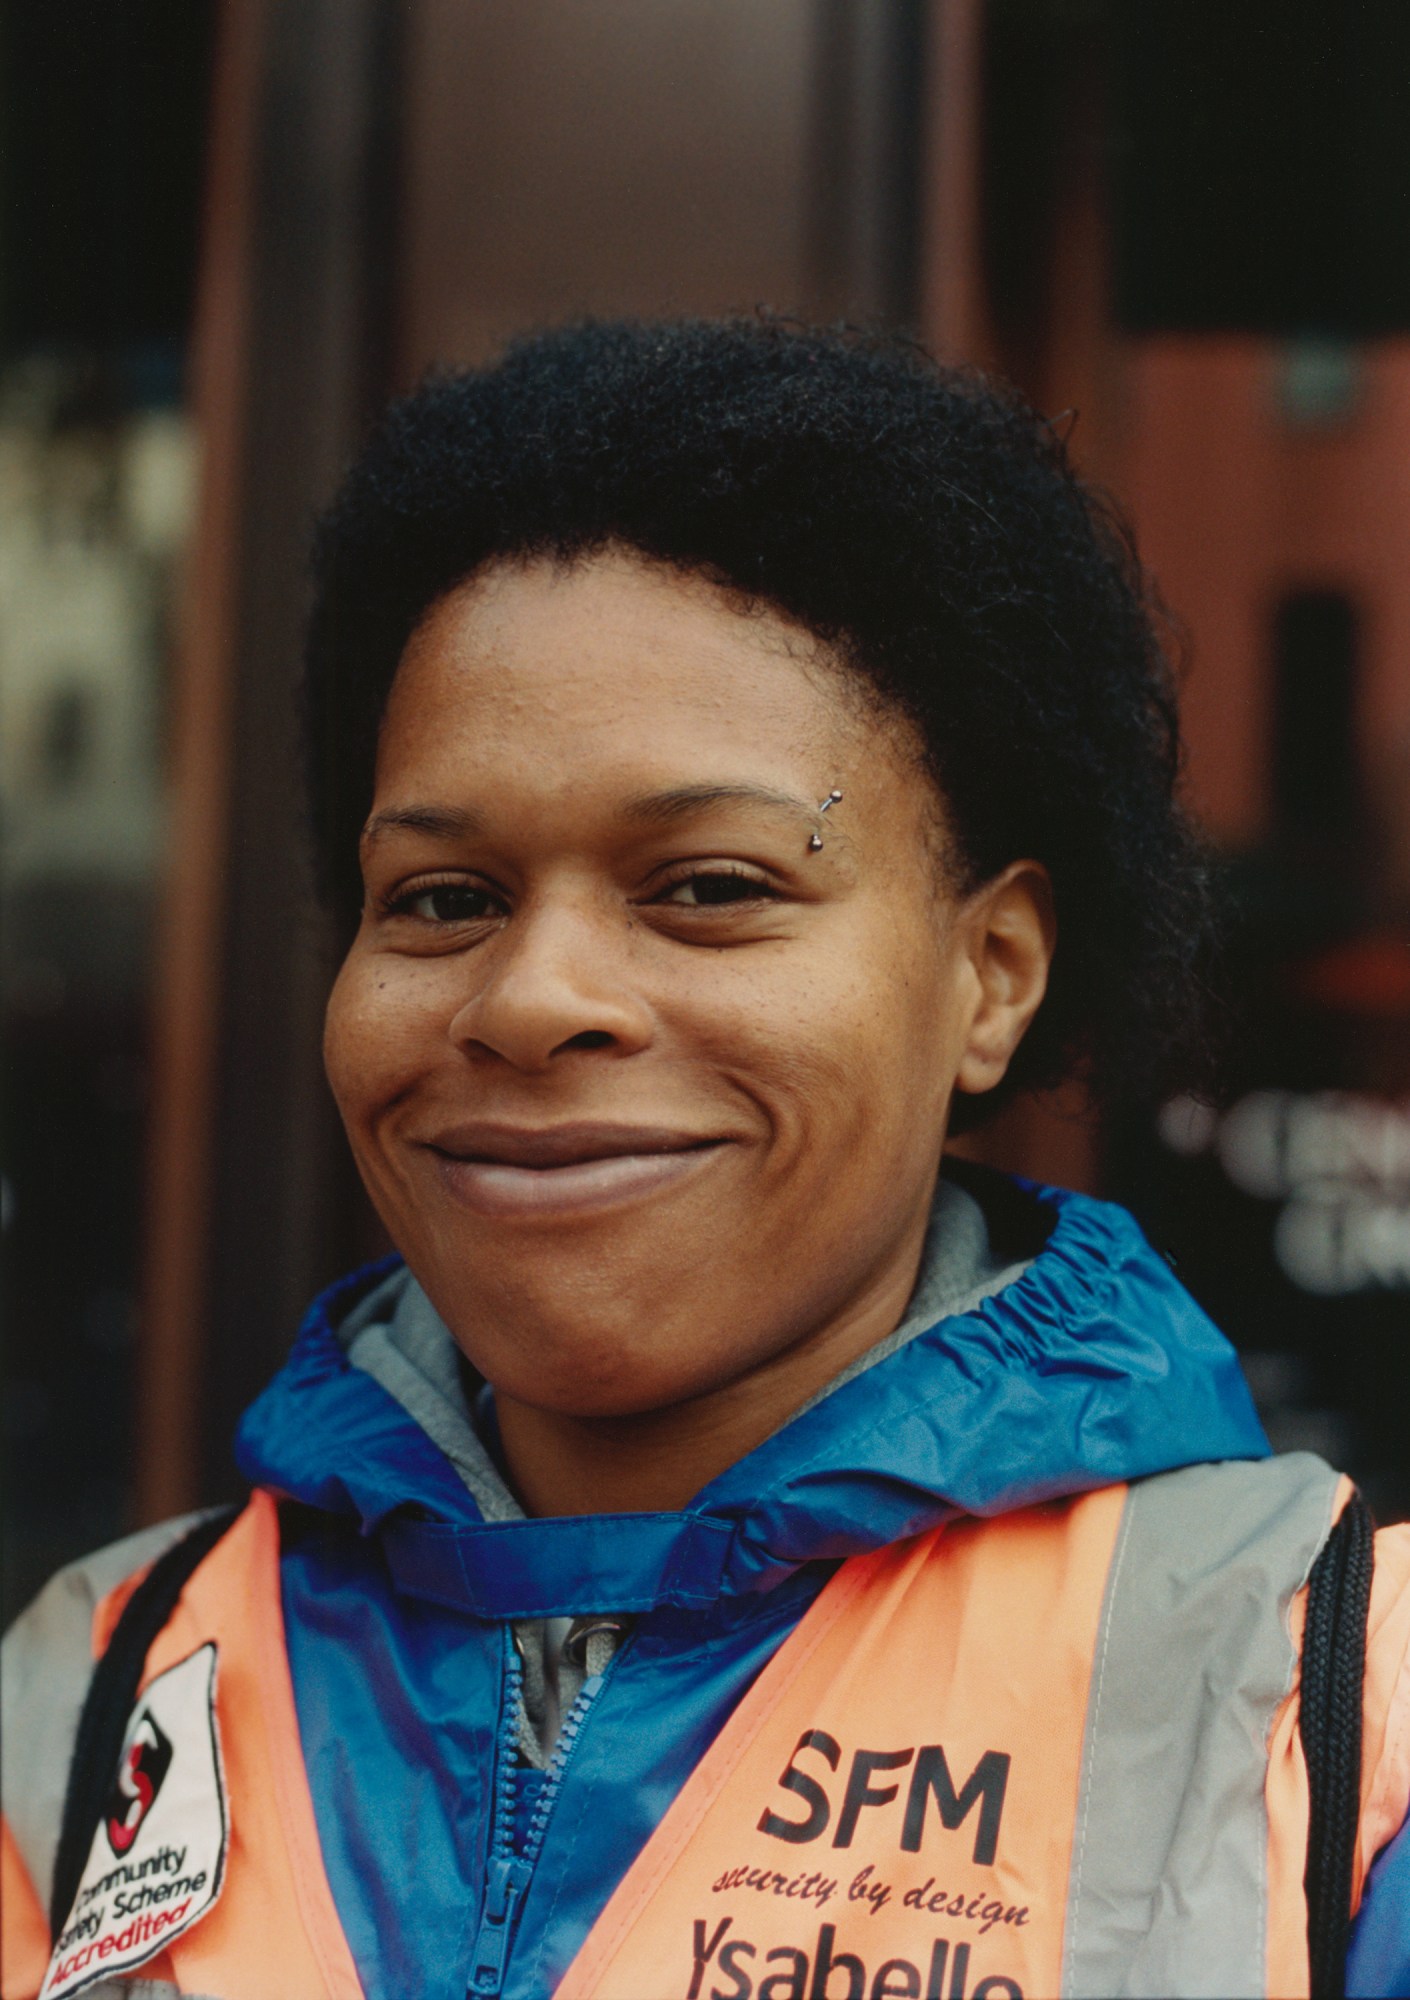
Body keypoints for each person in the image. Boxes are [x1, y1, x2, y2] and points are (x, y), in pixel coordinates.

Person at [3, 317, 1408, 2000]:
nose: (533, 1001)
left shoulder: (1330, 1704)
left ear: (992, 975)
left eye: (711, 886)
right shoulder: (91, 1691)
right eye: (442, 900)